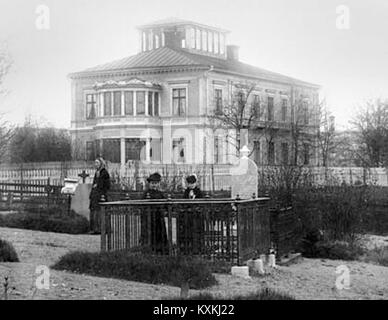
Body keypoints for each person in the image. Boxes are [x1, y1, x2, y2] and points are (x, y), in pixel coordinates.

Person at [141, 172, 168, 253]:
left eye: (156, 183)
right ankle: (150, 248)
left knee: (160, 233)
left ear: (159, 184)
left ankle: (161, 248)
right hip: (149, 218)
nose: (154, 185)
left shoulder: (160, 194)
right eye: (152, 183)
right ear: (149, 184)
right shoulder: (146, 193)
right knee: (150, 233)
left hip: (158, 217)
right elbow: (143, 205)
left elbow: (165, 204)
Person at [179, 174, 204, 255]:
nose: (191, 185)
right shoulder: (186, 192)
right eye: (189, 183)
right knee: (188, 233)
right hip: (188, 216)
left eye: (193, 183)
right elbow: (183, 203)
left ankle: (198, 249)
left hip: (196, 216)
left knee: (197, 232)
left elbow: (201, 202)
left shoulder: (199, 192)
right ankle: (187, 249)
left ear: (195, 183)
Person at [89, 157, 110, 234]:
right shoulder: (97, 172)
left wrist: (98, 186)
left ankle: (102, 229)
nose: (96, 164)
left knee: (100, 212)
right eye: (95, 163)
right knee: (94, 212)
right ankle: (95, 228)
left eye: (97, 163)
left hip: (101, 195)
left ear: (101, 163)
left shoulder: (104, 173)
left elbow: (107, 185)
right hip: (95, 195)